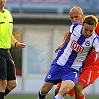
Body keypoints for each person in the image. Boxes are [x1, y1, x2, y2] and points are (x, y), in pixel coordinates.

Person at [38, 15, 99, 99]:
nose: (87, 32)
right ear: (82, 25)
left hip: (73, 69)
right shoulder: (75, 26)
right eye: (86, 29)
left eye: (91, 31)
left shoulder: (95, 40)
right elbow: (70, 33)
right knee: (44, 90)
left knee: (64, 90)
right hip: (60, 63)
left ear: (94, 28)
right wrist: (63, 44)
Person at [54, 6, 99, 99]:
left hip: (92, 66)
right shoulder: (72, 33)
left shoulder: (94, 26)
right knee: (58, 91)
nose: (74, 19)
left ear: (82, 16)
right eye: (72, 17)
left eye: (77, 17)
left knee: (78, 86)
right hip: (75, 66)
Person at [0, 0, 26, 99]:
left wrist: (16, 43)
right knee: (2, 82)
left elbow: (9, 34)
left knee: (12, 83)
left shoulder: (8, 14)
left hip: (7, 51)